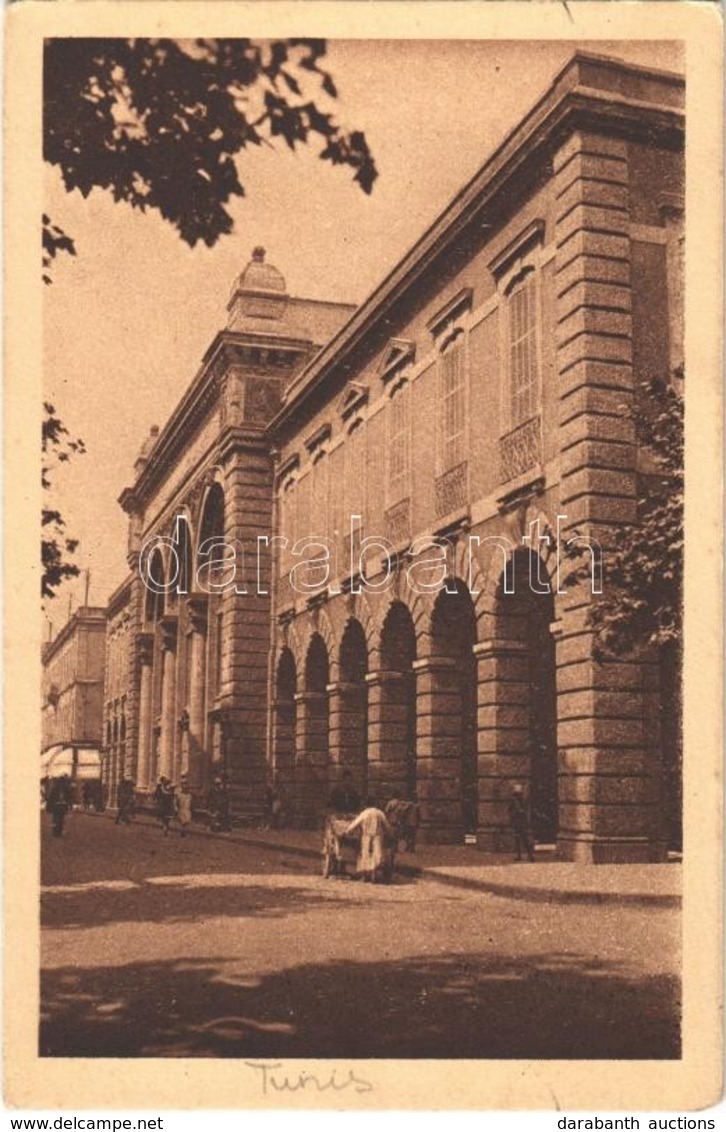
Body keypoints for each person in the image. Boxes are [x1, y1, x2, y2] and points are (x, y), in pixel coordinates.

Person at [345, 800, 395, 883]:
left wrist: (348, 831)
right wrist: (391, 834)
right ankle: (374, 871)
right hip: (378, 836)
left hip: (366, 836)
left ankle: (365, 875)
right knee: (377, 854)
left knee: (365, 854)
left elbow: (355, 823)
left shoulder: (365, 813)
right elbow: (387, 825)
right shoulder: (379, 813)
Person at [508, 784, 535, 862]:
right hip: (520, 822)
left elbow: (510, 811)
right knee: (521, 839)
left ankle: (527, 855)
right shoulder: (519, 800)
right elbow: (510, 810)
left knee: (523, 839)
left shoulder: (519, 800)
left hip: (520, 822)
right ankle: (525, 855)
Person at [46, 774, 73, 838]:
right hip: (57, 805)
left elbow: (69, 798)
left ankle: (59, 832)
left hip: (62, 805)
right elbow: (51, 798)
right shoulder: (55, 789)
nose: (61, 784)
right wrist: (49, 807)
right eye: (61, 782)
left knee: (60, 819)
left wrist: (70, 805)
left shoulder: (66, 789)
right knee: (56, 819)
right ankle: (55, 832)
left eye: (62, 782)